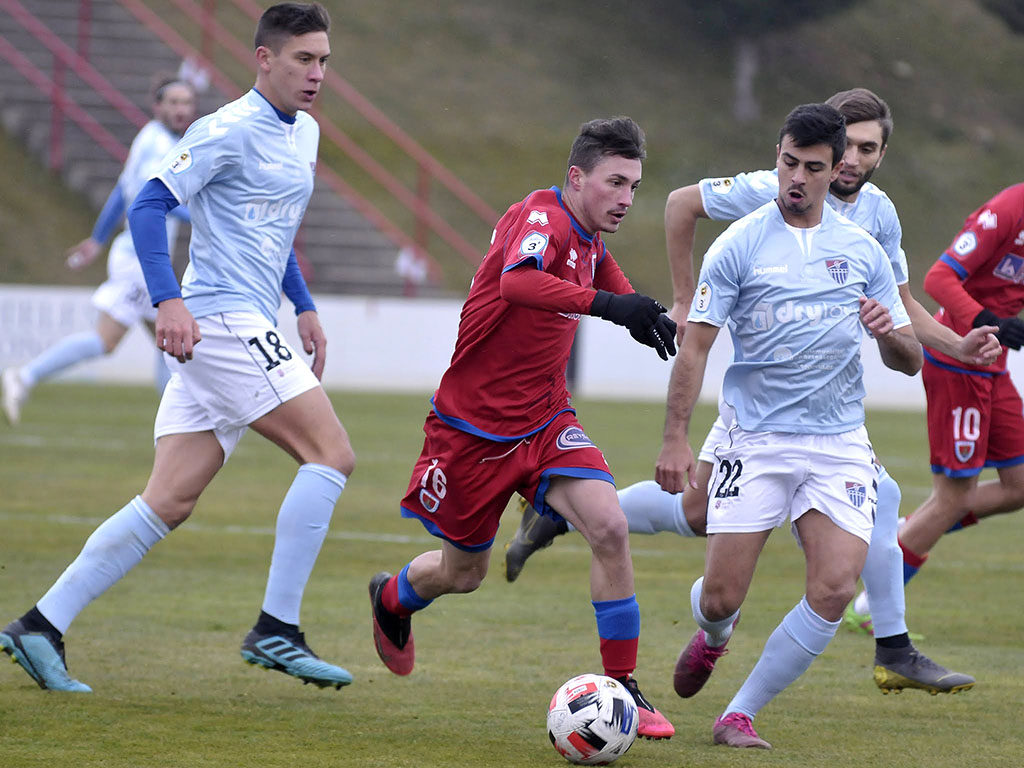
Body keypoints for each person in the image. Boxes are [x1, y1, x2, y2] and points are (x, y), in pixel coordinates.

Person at [503, 88, 993, 695]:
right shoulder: (768, 196)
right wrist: (684, 298)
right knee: (698, 512)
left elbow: (901, 306)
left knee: (877, 500)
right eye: (844, 150)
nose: (852, 163)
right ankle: (577, 517)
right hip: (755, 413)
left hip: (833, 423)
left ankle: (890, 645)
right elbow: (682, 205)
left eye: (867, 149)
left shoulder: (877, 216)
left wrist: (957, 345)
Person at [0, 2, 354, 693]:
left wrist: (305, 307)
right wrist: (169, 301)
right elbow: (148, 203)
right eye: (303, 59)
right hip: (221, 321)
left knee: (169, 500)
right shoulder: (225, 129)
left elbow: (273, 234)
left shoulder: (305, 134)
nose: (317, 74)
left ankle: (39, 625)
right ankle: (277, 629)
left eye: (324, 62)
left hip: (253, 320)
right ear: (264, 58)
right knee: (331, 453)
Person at [367, 117, 678, 740]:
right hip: (471, 430)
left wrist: (638, 310)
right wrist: (612, 307)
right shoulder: (541, 216)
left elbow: (601, 271)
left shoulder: (588, 236)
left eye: (634, 186)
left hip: (544, 418)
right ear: (575, 177)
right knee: (464, 574)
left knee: (610, 526)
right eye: (614, 182)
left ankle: (623, 688)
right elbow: (518, 281)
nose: (625, 198)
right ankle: (392, 598)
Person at [655, 103, 923, 749]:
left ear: (837, 173)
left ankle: (739, 714)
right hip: (756, 438)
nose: (796, 178)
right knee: (720, 598)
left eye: (812, 168)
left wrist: (889, 335)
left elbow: (910, 360)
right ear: (777, 157)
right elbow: (694, 347)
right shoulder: (740, 243)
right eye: (787, 163)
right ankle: (715, 636)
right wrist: (675, 437)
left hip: (837, 443)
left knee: (834, 587)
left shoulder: (862, 250)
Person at [860, 183, 1024, 604]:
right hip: (959, 362)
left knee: (1019, 484)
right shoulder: (1006, 210)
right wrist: (987, 320)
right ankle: (871, 606)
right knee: (954, 498)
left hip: (996, 365)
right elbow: (938, 277)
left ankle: (907, 531)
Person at [0, 76, 197, 425]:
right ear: (158, 106)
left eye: (187, 102)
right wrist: (206, 215)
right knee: (119, 340)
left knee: (171, 345)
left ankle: (180, 421)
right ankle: (25, 376)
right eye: (174, 102)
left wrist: (97, 239)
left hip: (136, 254)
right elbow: (149, 200)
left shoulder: (149, 138)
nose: (182, 109)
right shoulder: (158, 147)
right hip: (142, 260)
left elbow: (122, 192)